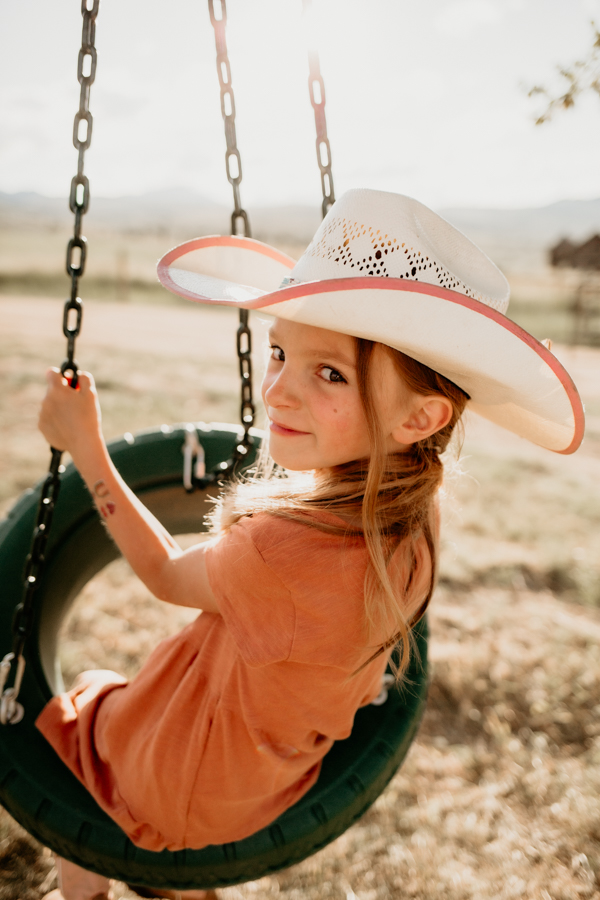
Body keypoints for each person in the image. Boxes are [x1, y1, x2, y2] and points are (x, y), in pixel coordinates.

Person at [37, 189, 584, 900]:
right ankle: (182, 885)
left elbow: (167, 577)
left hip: (185, 776)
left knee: (85, 719)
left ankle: (84, 890)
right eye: (279, 354)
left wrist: (87, 448)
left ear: (420, 415)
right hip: (265, 781)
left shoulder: (286, 544)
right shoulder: (416, 517)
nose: (277, 393)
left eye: (330, 373)